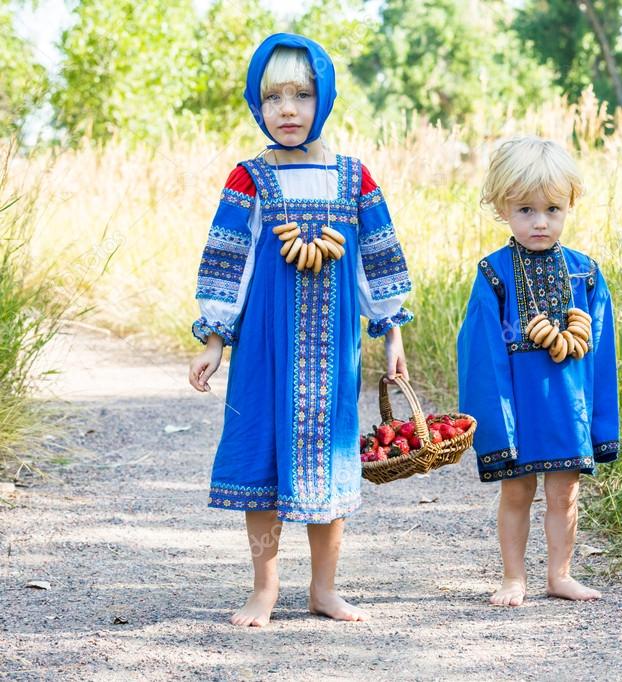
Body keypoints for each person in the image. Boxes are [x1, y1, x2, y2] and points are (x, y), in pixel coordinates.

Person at [186, 33, 413, 627]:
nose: (287, 109)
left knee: (328, 460)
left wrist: (392, 333)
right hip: (264, 345)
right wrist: (214, 338)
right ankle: (264, 585)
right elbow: (227, 258)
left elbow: (379, 259)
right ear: (256, 104)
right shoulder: (250, 178)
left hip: (332, 350)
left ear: (325, 98)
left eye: (302, 95)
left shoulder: (353, 178)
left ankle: (324, 587)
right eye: (273, 97)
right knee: (261, 455)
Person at [457, 136, 620, 607]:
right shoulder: (494, 272)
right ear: (502, 207)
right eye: (525, 209)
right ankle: (513, 578)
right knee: (517, 491)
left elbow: (600, 352)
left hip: (566, 405)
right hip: (519, 406)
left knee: (565, 494)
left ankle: (559, 574)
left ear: (570, 205)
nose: (540, 221)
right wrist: (493, 422)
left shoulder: (584, 273)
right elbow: (482, 351)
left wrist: (598, 420)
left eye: (552, 209)